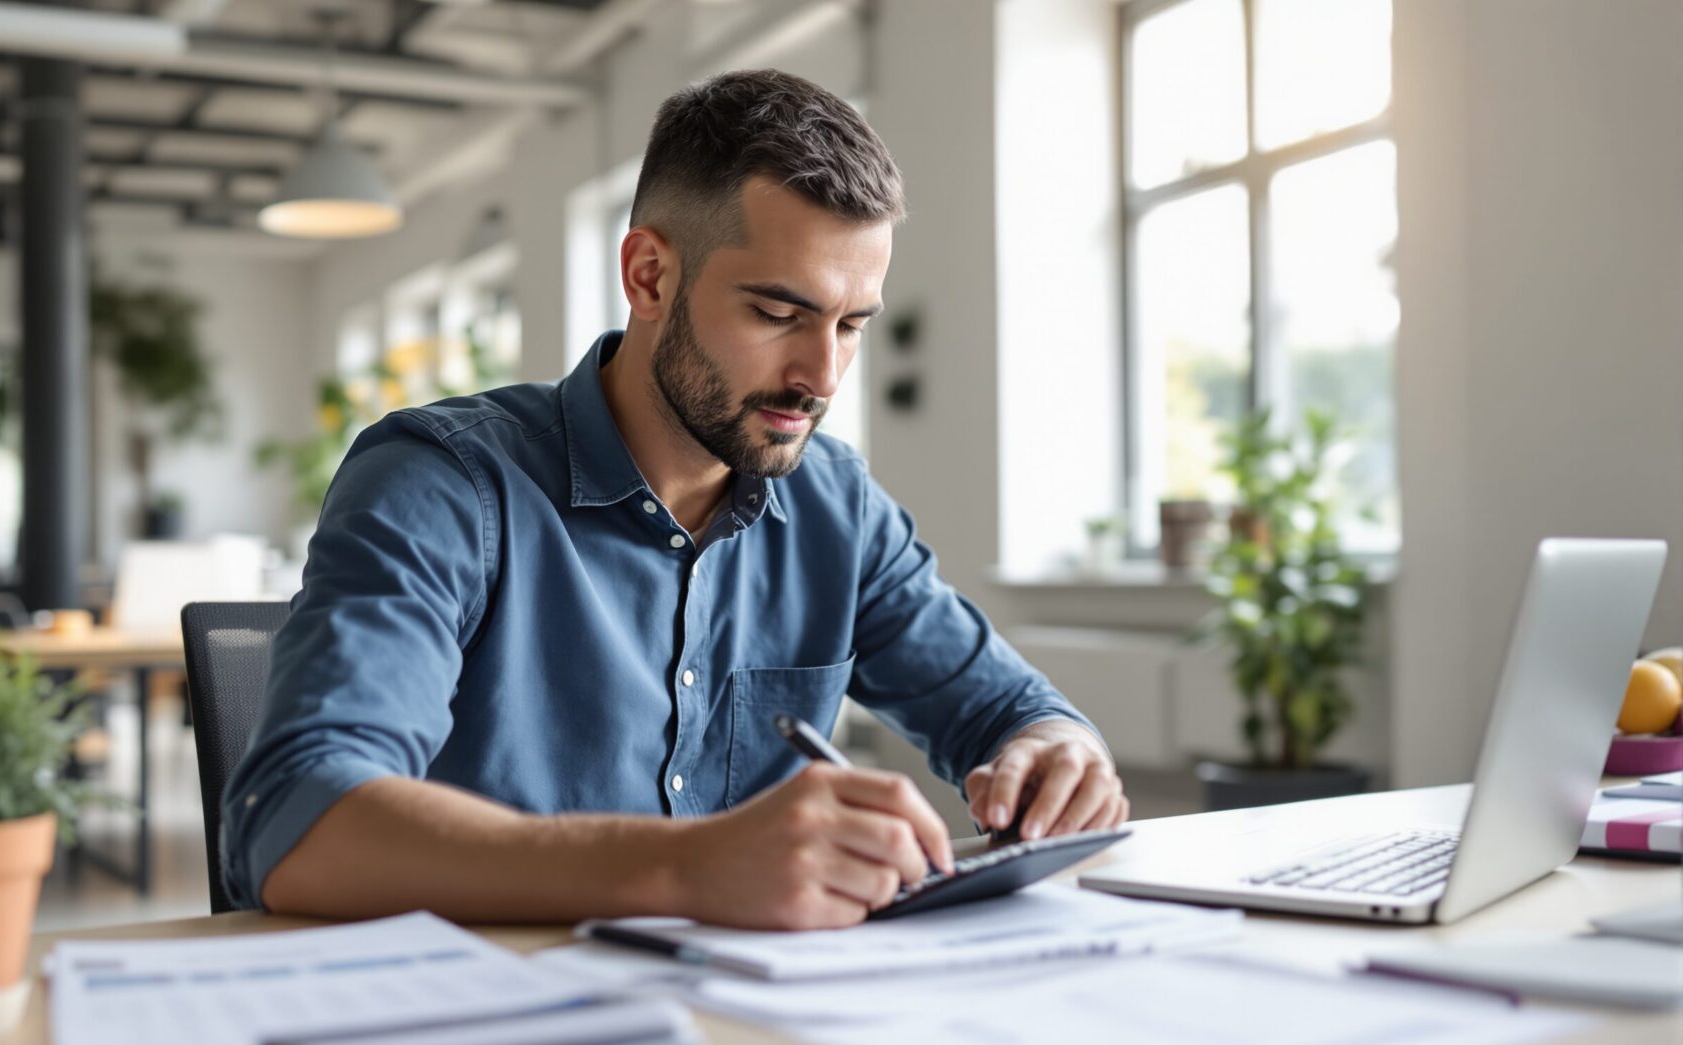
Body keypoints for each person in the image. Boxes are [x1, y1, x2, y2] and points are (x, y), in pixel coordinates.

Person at [222, 69, 1127, 931]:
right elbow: (299, 825)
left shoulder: (835, 506)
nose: (821, 375)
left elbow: (1008, 714)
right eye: (778, 314)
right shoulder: (443, 483)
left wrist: (1057, 752)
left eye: (850, 325)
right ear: (650, 275)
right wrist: (686, 868)